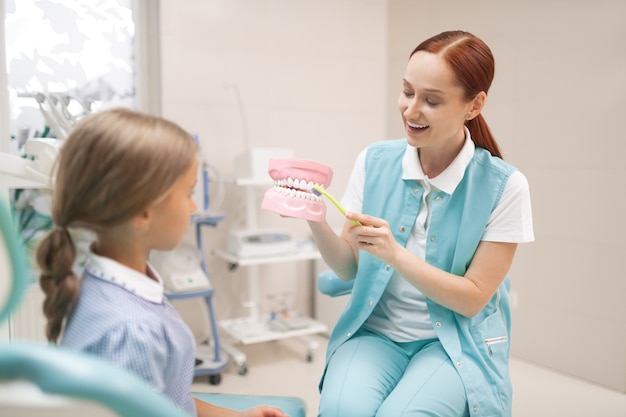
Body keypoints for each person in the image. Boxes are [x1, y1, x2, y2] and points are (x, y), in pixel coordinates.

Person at [306, 30, 534, 416]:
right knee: (343, 409)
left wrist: (394, 254)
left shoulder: (505, 186)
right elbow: (348, 266)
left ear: (474, 105)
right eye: (407, 92)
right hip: (376, 333)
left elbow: (473, 296)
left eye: (431, 100)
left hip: (452, 342)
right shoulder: (374, 161)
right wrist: (315, 222)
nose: (411, 110)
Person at [36, 108, 288, 417]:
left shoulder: (109, 281)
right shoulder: (131, 333)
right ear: (143, 212)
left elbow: (169, 400)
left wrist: (237, 416)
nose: (194, 208)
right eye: (188, 193)